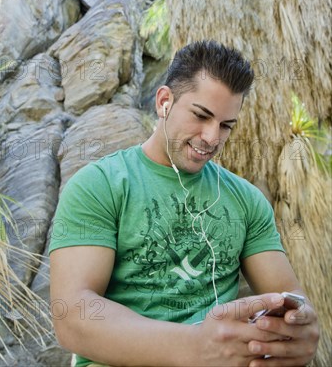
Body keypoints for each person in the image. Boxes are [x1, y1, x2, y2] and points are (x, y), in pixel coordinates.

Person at [49, 40, 319, 367]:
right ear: (164, 101)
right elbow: (73, 318)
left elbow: (288, 297)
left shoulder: (247, 201)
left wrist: (298, 330)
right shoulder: (99, 185)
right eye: (201, 115)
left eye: (225, 125)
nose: (211, 137)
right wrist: (195, 348)